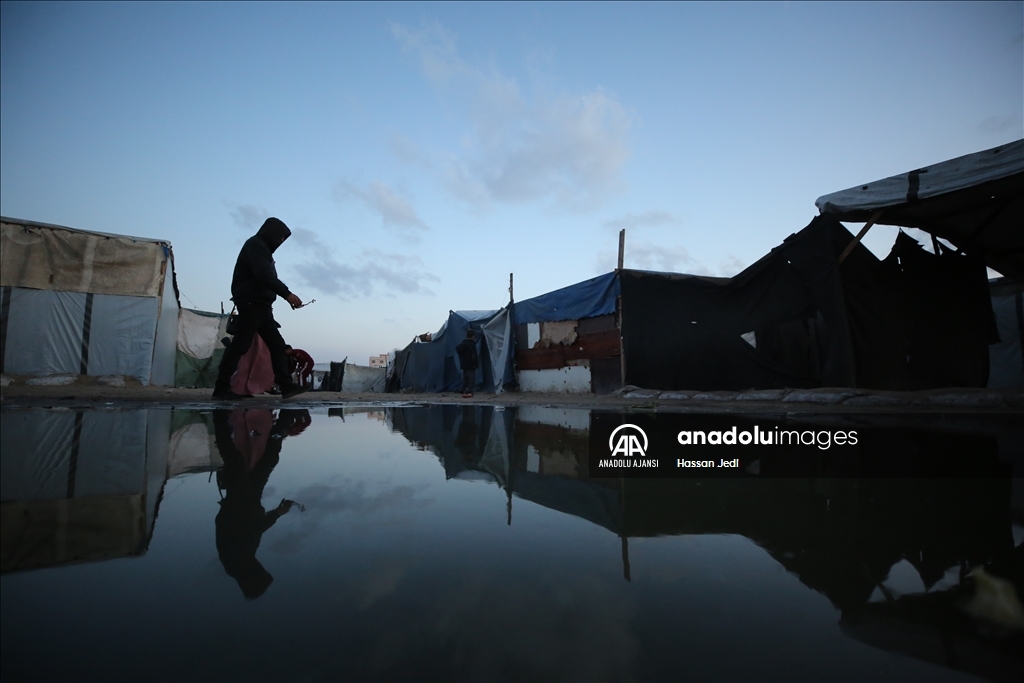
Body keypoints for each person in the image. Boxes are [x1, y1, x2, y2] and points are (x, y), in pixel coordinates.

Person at [213, 217, 308, 400]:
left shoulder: (263, 251)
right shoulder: (255, 245)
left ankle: (286, 386)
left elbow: (266, 276)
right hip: (251, 303)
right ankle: (221, 389)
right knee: (240, 346)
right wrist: (287, 294)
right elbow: (263, 275)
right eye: (280, 238)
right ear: (271, 233)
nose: (280, 242)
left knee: (278, 346)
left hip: (262, 306)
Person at [455, 330, 479, 397]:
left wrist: (463, 357)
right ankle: (469, 390)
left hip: (465, 364)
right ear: (473, 336)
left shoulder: (465, 343)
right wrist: (475, 364)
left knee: (465, 378)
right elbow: (474, 355)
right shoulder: (470, 344)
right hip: (470, 364)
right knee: (472, 379)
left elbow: (458, 349)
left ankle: (462, 389)